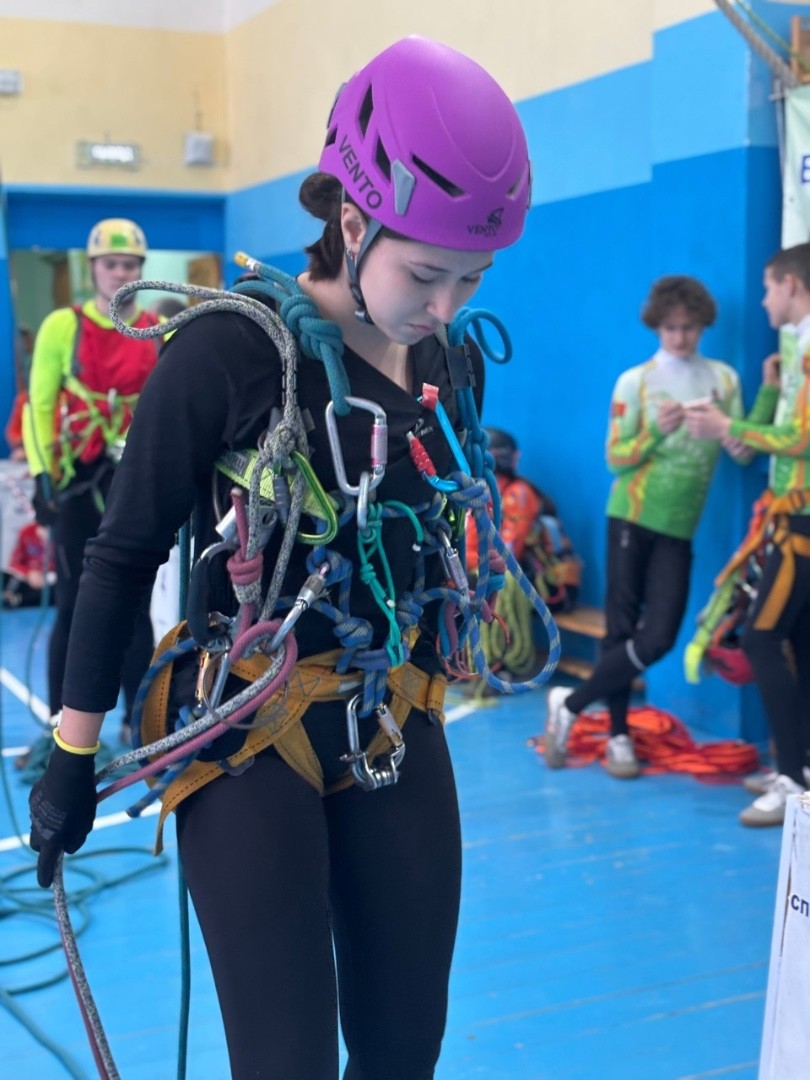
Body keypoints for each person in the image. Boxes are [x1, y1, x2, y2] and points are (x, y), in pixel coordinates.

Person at [27, 37, 531, 1080]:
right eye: (425, 274)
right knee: (286, 1063)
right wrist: (72, 753)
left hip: (392, 708)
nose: (446, 307)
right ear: (351, 223)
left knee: (403, 1050)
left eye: (472, 277)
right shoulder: (231, 349)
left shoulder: (449, 361)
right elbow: (121, 556)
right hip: (245, 727)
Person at [544, 276, 746, 779]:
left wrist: (730, 427)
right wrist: (659, 428)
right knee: (621, 628)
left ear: (703, 326)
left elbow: (741, 451)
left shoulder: (724, 380)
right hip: (630, 518)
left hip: (680, 526)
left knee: (659, 636)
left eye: (689, 327)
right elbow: (616, 458)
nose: (680, 337)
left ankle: (570, 703)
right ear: (657, 327)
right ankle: (618, 736)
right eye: (671, 328)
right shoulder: (635, 382)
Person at [685, 242, 810, 826]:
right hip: (791, 517)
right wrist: (765, 392)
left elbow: (800, 439)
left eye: (768, 288)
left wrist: (725, 424)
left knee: (761, 637)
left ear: (791, 284)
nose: (763, 300)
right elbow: (774, 434)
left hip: (801, 521)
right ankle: (800, 767)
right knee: (799, 643)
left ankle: (792, 778)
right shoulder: (794, 351)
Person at [21, 219, 160, 741]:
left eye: (129, 265)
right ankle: (62, 727)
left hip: (133, 480)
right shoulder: (64, 326)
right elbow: (39, 404)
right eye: (110, 264)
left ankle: (139, 720)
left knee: (134, 605)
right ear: (93, 268)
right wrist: (43, 478)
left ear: (140, 271)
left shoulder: (157, 329)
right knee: (74, 604)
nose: (120, 273)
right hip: (77, 483)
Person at [466, 427, 580, 680]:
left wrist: (463, 565)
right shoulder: (480, 491)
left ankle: (502, 664)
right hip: (518, 574)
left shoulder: (518, 494)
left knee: (497, 583)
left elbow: (508, 556)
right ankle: (463, 656)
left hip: (553, 586)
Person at [2, 521, 55, 607]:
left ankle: (20, 599)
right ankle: (12, 597)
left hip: (50, 578)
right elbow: (14, 562)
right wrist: (29, 572)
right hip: (29, 577)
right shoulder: (27, 531)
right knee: (8, 576)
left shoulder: (61, 534)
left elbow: (64, 564)